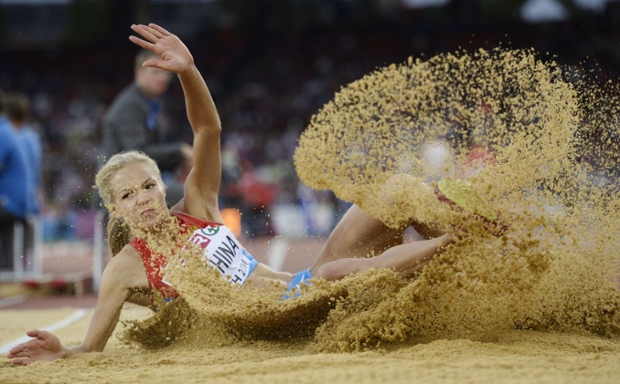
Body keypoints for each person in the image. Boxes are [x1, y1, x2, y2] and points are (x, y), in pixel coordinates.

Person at [7, 23, 452, 366]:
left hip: (299, 293)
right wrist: (64, 352)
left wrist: (189, 72)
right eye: (127, 196)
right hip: (274, 324)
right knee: (336, 274)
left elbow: (207, 130)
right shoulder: (124, 269)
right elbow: (91, 347)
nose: (142, 199)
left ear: (164, 187)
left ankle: (484, 255)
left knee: (392, 192)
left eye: (148, 186)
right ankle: (456, 247)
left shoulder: (197, 205)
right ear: (114, 208)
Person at [101, 45, 193, 206]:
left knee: (194, 189)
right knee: (191, 193)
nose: (162, 77)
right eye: (155, 72)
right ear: (139, 73)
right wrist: (180, 152)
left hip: (139, 182)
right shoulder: (130, 106)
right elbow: (137, 152)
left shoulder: (150, 103)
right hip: (121, 189)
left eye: (165, 72)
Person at [3, 92, 43, 268]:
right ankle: (11, 265)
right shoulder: (30, 136)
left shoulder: (5, 131)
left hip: (13, 204)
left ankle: (10, 266)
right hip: (28, 202)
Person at [0, 94, 29, 272]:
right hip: (17, 202)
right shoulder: (9, 130)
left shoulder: (2, 132)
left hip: (11, 204)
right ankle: (7, 267)